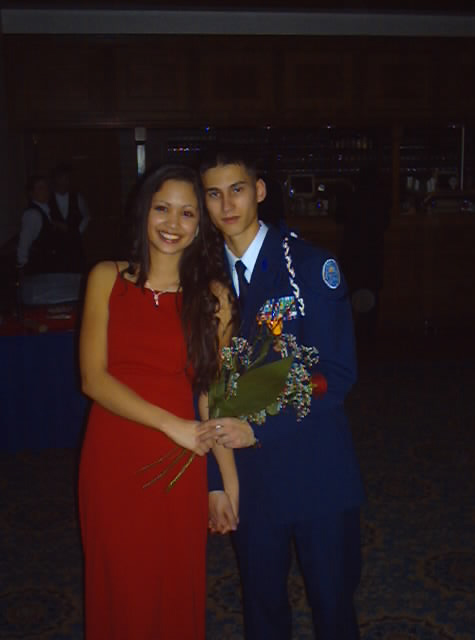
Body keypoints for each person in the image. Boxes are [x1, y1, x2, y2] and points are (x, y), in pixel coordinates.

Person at [199, 149, 365, 640]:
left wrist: (259, 427)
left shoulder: (310, 267)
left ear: (259, 191)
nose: (227, 204)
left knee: (333, 606)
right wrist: (214, 479)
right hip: (251, 481)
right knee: (262, 609)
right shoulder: (200, 279)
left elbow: (334, 374)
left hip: (316, 469)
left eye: (237, 189)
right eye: (213, 194)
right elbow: (200, 383)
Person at [78, 164, 239, 640]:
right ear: (143, 212)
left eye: (188, 213)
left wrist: (227, 484)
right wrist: (172, 425)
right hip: (113, 457)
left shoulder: (215, 298)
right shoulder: (106, 278)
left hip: (180, 464)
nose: (173, 223)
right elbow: (93, 379)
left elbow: (212, 395)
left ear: (201, 224)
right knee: (120, 583)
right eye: (162, 208)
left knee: (174, 583)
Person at [49, 163, 90, 272]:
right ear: (55, 180)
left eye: (67, 178)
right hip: (55, 245)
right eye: (61, 178)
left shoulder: (77, 197)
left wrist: (77, 232)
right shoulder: (48, 199)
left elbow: (86, 216)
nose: (65, 182)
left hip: (74, 244)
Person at [16, 174, 57, 274]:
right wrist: (23, 265)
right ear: (31, 193)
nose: (45, 191)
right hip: (38, 269)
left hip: (47, 267)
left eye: (46, 187)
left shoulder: (47, 211)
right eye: (40, 188)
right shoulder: (33, 214)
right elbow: (24, 242)